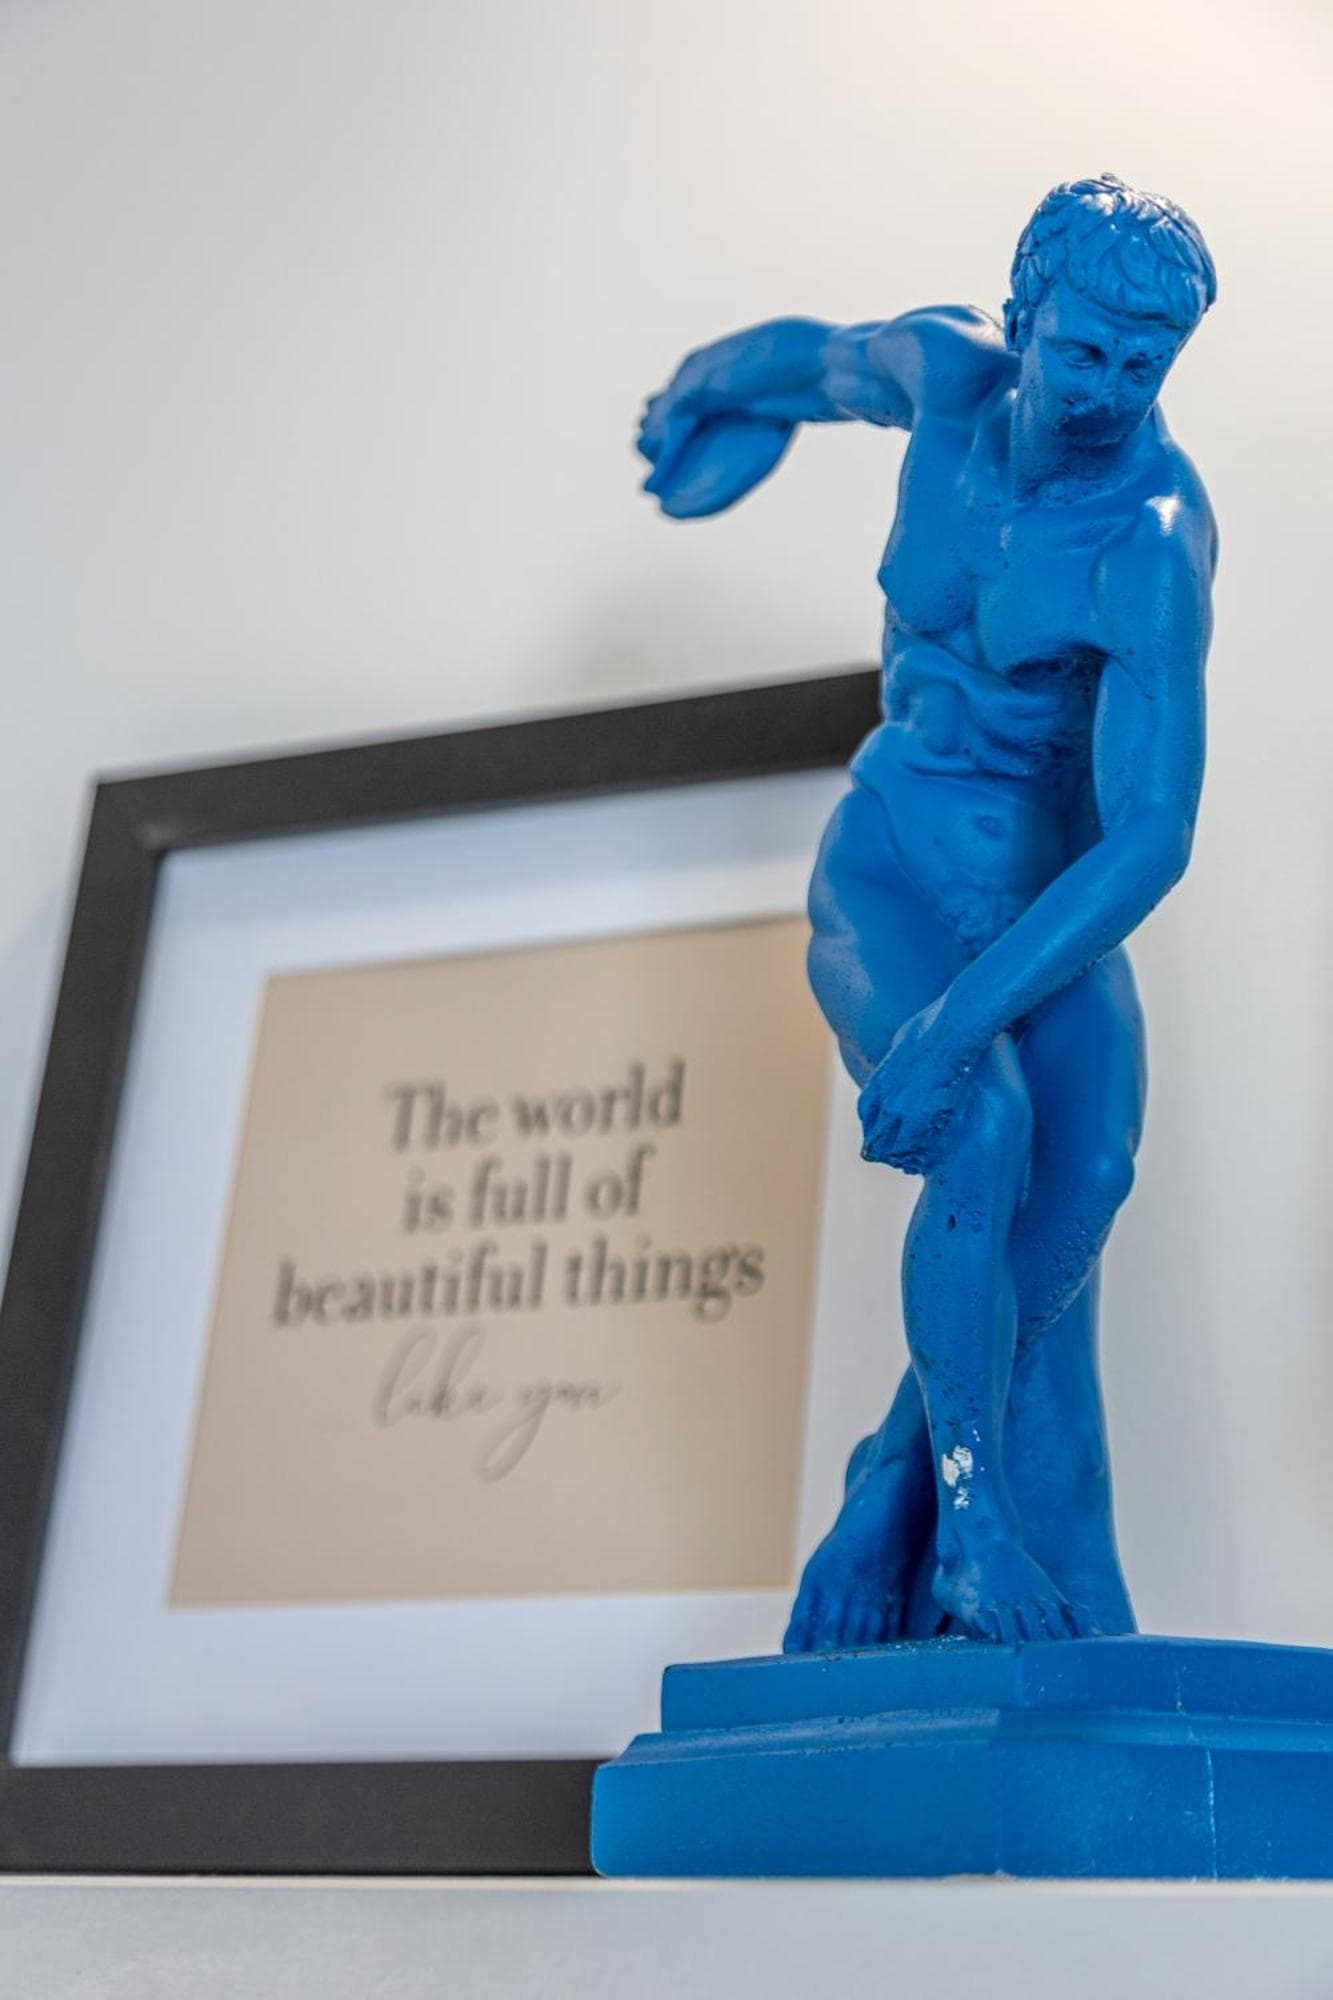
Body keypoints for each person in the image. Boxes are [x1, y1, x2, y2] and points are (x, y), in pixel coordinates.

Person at [637, 174, 1217, 1645]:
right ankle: (972, 1529)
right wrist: (703, 392)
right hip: (895, 856)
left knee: (1088, 1178)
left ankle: (889, 1478)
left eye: (1143, 363)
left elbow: (1150, 841)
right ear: (1022, 316)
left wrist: (959, 1025)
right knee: (986, 1132)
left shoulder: (1147, 543)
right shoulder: (945, 376)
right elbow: (814, 365)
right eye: (1083, 349)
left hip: (1046, 905)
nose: (1109, 389)